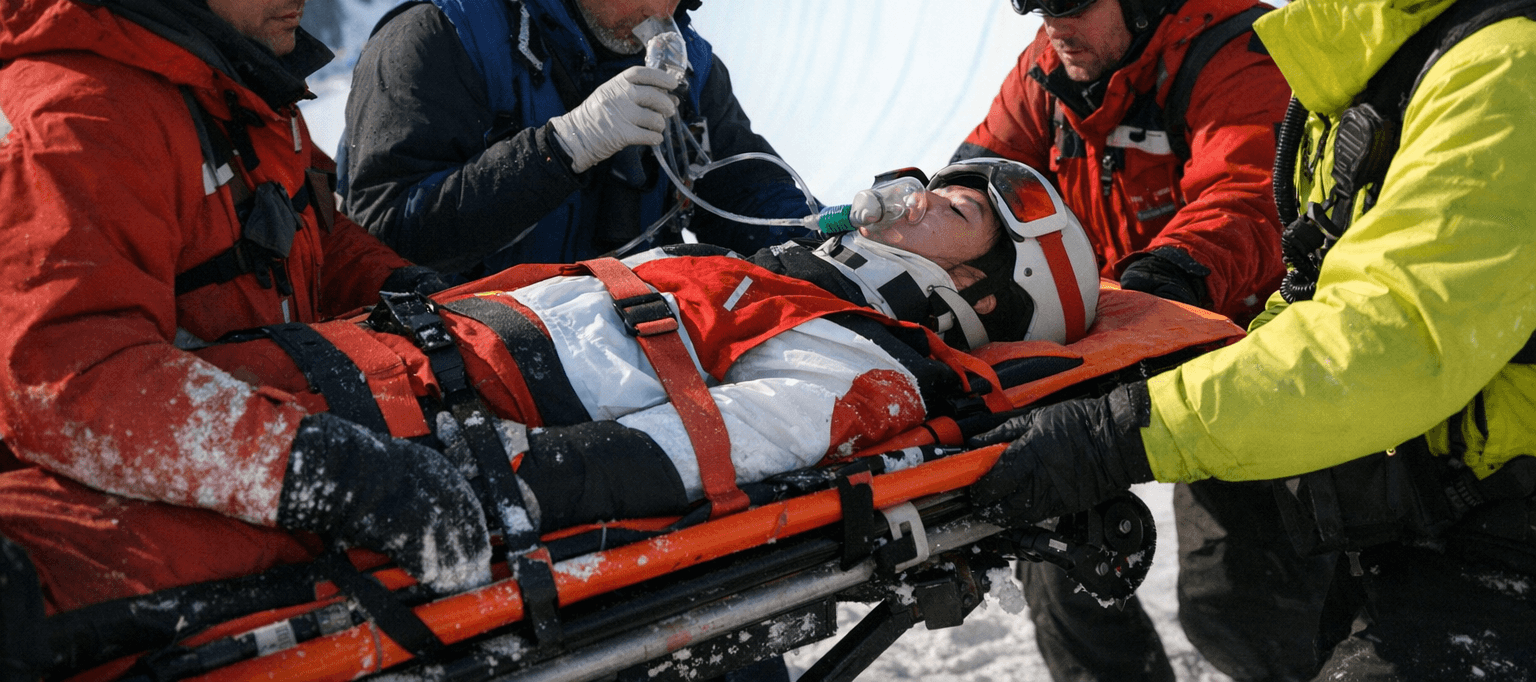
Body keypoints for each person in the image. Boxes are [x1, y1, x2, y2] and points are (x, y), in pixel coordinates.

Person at [976, 0, 1536, 677]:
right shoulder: (1368, 42)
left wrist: (1129, 422)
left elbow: (1393, 333)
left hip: (1497, 525)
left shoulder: (1506, 67)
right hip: (1412, 480)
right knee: (1231, 608)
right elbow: (1317, 286)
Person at [0, 158, 1114, 612]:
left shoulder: (869, 356)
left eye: (950, 208)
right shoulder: (774, 280)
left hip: (382, 452)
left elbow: (729, 444)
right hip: (328, 377)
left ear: (977, 286)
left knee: (43, 568)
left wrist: (493, 488)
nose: (907, 197)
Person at [0, 0, 489, 604]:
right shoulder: (78, 123)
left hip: (268, 451)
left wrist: (407, 294)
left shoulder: (235, 83)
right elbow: (69, 381)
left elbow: (316, 238)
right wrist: (317, 471)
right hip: (142, 534)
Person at [955, 0, 1301, 682]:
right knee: (1058, 559)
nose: (1049, 18)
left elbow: (1246, 197)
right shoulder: (1054, 67)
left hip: (1237, 346)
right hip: (1113, 337)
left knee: (1240, 604)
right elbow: (982, 170)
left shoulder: (1240, 58)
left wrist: (1160, 282)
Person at [340, 0, 809, 280]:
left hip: (622, 340)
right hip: (467, 342)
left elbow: (745, 192)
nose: (661, 9)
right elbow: (383, 234)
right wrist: (563, 148)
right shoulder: (443, 35)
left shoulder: (686, 64)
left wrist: (827, 240)